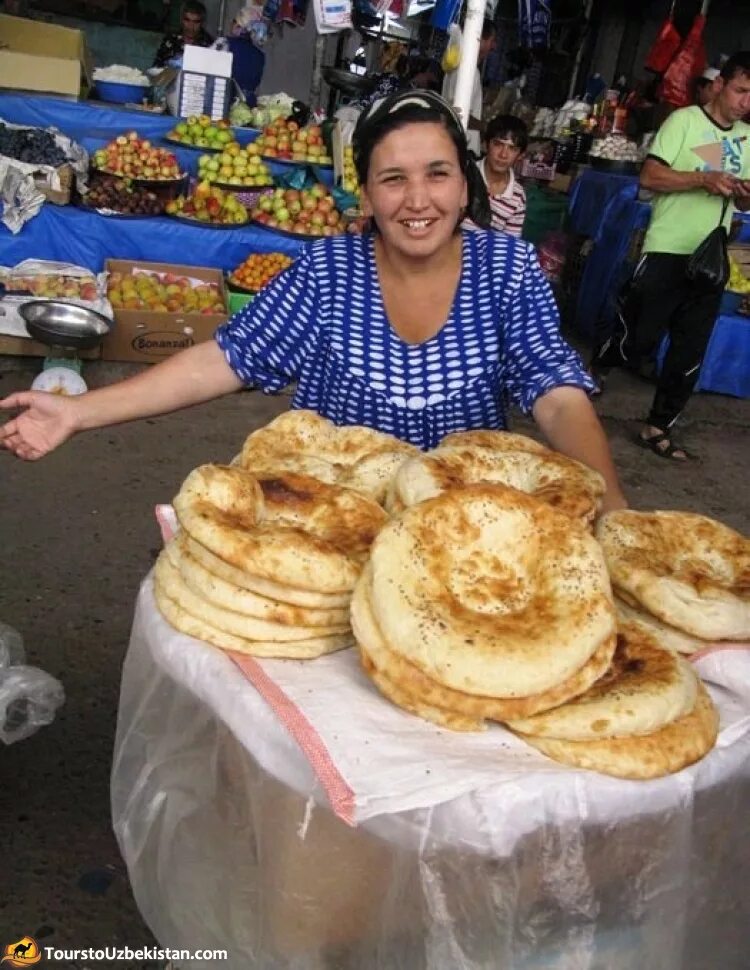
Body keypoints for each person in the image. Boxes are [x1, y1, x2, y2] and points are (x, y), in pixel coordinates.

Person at [0, 90, 626, 512]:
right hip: (324, 524)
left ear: (464, 184)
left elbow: (557, 394)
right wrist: (79, 412)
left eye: (437, 174)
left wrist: (613, 508)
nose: (417, 200)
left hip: (462, 533)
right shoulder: (329, 272)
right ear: (367, 195)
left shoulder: (508, 271)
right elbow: (222, 359)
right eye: (393, 179)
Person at [590, 51, 750, 462]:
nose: (746, 102)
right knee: (639, 336)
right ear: (720, 85)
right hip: (668, 247)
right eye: (741, 90)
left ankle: (658, 426)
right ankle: (599, 368)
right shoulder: (684, 123)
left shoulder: (748, 139)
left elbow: (744, 203)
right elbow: (650, 176)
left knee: (689, 348)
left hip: (710, 256)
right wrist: (702, 178)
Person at [442, 19, 497, 156]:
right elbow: (461, 114)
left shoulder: (457, 64)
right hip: (463, 148)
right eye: (492, 40)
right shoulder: (469, 71)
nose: (494, 46)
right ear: (480, 39)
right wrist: (488, 127)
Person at [478, 114, 528, 236]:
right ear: (485, 144)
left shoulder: (518, 196)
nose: (503, 155)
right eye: (498, 144)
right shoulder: (464, 174)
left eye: (512, 148)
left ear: (520, 155)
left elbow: (509, 243)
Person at [224, 3, 267, 106]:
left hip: (226, 101)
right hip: (248, 105)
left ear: (238, 25)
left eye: (234, 21)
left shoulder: (225, 44)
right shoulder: (260, 55)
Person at [153, 0, 213, 69]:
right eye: (187, 20)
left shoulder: (209, 45)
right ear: (181, 20)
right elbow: (156, 67)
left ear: (202, 23)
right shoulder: (171, 40)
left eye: (196, 22)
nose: (191, 26)